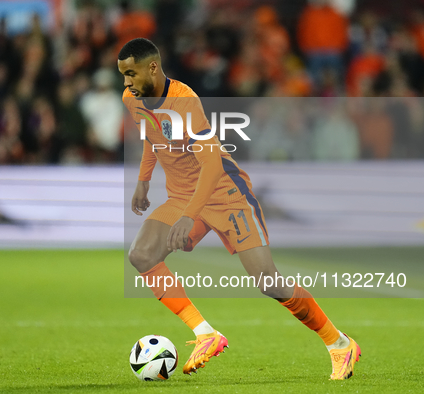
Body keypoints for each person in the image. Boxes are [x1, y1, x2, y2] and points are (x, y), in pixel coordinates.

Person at [118, 38, 361, 379]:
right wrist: (144, 180)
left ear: (152, 68)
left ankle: (339, 344)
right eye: (123, 75)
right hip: (183, 195)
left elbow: (213, 166)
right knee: (141, 254)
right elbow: (151, 135)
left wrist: (188, 217)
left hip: (225, 192)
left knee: (268, 282)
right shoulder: (133, 99)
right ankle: (206, 334)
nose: (126, 83)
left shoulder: (185, 102)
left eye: (131, 74)